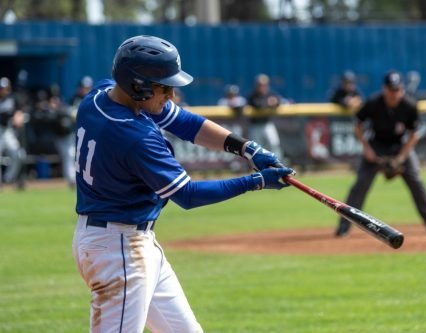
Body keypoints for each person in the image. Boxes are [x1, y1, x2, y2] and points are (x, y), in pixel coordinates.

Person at [72, 35, 294, 333]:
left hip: (129, 241)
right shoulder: (135, 137)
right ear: (139, 85)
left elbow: (184, 123)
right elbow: (187, 195)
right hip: (118, 250)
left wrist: (246, 148)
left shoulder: (101, 95)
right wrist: (255, 181)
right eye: (165, 87)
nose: (172, 96)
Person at [335, 70, 426, 237]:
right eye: (391, 90)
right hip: (376, 146)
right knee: (360, 184)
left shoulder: (409, 106)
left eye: (397, 89)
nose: (394, 93)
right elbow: (358, 125)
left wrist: (402, 157)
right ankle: (344, 226)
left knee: (416, 180)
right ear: (384, 89)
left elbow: (414, 134)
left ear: (402, 90)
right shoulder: (373, 103)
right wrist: (366, 148)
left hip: (400, 146)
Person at [246, 73, 283, 159]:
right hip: (255, 126)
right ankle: (259, 168)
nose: (262, 86)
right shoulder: (252, 94)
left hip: (267, 124)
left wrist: (275, 102)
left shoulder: (270, 93)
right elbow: (257, 104)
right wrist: (268, 103)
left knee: (274, 144)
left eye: (264, 84)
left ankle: (277, 164)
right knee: (256, 149)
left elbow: (279, 101)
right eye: (260, 84)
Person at [0, 77, 26, 186]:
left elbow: (19, 113)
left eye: (6, 88)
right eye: (2, 88)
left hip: (8, 131)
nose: (4, 90)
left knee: (19, 154)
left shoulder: (13, 99)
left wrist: (18, 115)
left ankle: (8, 178)